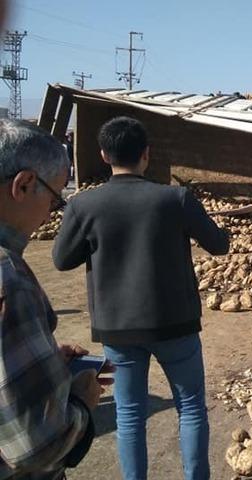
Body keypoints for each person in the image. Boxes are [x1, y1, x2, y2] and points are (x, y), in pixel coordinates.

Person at [52, 117, 230, 480]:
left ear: (104, 155)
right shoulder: (176, 198)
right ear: (146, 154)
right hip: (176, 325)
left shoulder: (84, 206)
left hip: (118, 330)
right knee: (192, 408)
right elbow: (218, 245)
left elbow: (62, 259)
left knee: (129, 415)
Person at [0, 119, 110, 479]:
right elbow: (37, 447)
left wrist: (41, 361)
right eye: (55, 196)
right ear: (24, 184)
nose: (52, 211)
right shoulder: (7, 280)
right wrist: (80, 399)